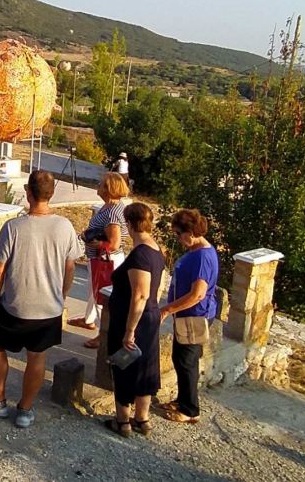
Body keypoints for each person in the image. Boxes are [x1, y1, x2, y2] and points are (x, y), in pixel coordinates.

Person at [0, 170, 83, 428]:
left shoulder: (14, 227)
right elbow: (71, 266)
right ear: (51, 194)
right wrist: (61, 295)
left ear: (28, 193)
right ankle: (25, 409)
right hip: (48, 308)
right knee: (37, 357)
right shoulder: (65, 226)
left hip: (14, 305)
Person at [104, 202, 165, 438]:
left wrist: (129, 330)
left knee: (125, 366)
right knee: (146, 367)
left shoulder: (140, 255)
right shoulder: (155, 249)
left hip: (132, 320)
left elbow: (140, 295)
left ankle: (123, 421)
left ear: (129, 224)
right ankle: (143, 418)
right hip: (150, 318)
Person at [158, 208, 219, 424]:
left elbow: (198, 294)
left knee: (187, 362)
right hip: (185, 316)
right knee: (181, 358)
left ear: (190, 232)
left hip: (194, 317)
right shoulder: (196, 251)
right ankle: (182, 400)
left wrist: (167, 309)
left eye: (178, 234)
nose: (177, 238)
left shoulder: (203, 257)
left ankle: (190, 410)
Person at [67, 172, 130, 349]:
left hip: (105, 261)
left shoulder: (112, 214)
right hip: (100, 259)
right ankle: (88, 320)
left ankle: (104, 335)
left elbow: (114, 244)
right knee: (93, 291)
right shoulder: (110, 207)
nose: (98, 185)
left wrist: (90, 241)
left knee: (102, 298)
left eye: (101, 184)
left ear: (109, 189)